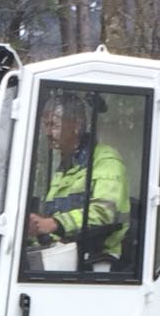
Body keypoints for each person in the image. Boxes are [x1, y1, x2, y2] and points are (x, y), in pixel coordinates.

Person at [25, 96, 129, 264]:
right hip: (62, 253)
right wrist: (34, 230)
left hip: (97, 260)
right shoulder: (64, 167)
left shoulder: (105, 160)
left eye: (54, 125)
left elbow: (104, 213)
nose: (48, 133)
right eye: (45, 125)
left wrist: (55, 223)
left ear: (76, 125)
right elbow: (51, 224)